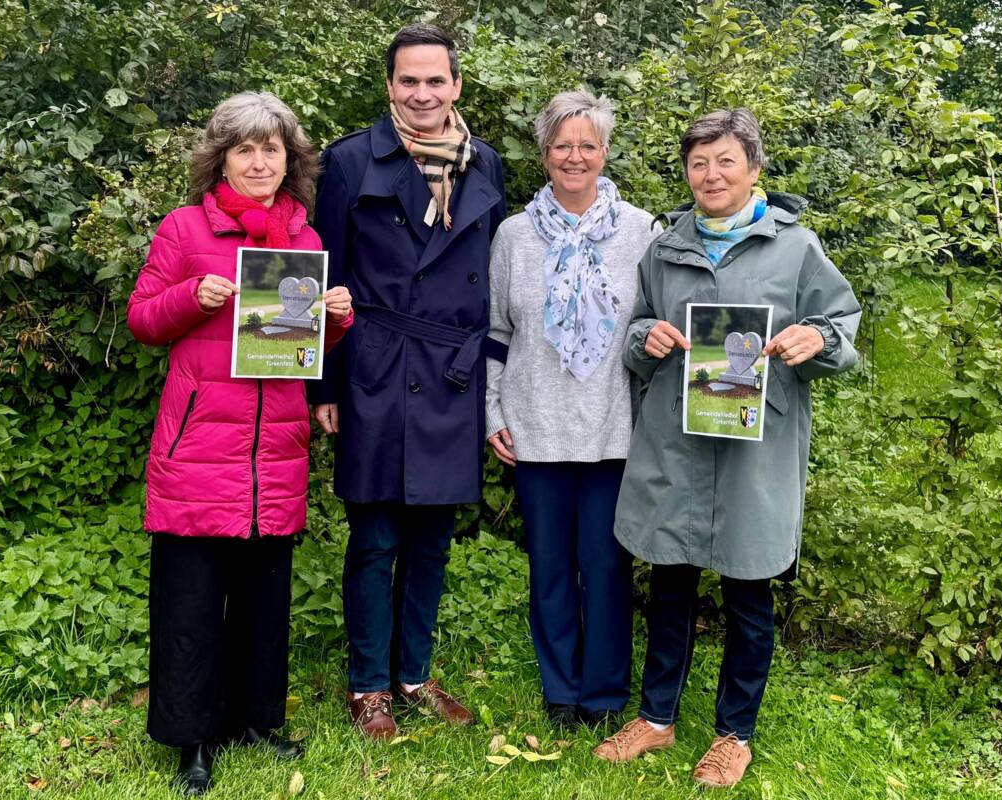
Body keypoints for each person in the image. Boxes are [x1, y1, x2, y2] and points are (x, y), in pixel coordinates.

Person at [593, 108, 861, 788]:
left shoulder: (796, 248)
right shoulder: (664, 246)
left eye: (725, 162)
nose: (711, 175)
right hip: (677, 444)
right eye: (698, 163)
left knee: (748, 593)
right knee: (671, 584)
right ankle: (656, 718)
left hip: (754, 452)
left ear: (754, 169)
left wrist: (818, 340)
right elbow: (636, 330)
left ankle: (734, 734)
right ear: (686, 173)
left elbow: (840, 327)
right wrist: (646, 339)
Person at [127, 91, 353, 796]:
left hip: (274, 449)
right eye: (246, 149)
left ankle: (256, 721)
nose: (260, 161)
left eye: (272, 149)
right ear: (221, 158)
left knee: (264, 599)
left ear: (291, 160)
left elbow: (304, 347)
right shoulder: (184, 228)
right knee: (191, 604)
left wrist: (335, 319)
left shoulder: (304, 238)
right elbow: (142, 319)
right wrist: (191, 295)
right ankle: (192, 740)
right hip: (199, 449)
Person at [309, 23, 506, 740]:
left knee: (432, 538)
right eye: (409, 80)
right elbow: (322, 278)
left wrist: (492, 381)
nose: (422, 93)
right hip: (376, 367)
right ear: (390, 86)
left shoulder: (485, 163)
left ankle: (414, 674)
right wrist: (323, 386)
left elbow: (493, 276)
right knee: (375, 536)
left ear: (456, 85)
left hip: (453, 374)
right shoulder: (349, 162)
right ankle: (368, 686)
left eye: (436, 80)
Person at [484, 90, 652, 729]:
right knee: (551, 566)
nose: (574, 157)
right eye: (562, 145)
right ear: (544, 154)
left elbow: (653, 332)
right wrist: (491, 413)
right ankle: (562, 691)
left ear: (605, 152)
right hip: (534, 428)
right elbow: (496, 333)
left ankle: (606, 696)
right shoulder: (514, 236)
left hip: (615, 429)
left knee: (607, 567)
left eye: (587, 145)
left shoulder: (642, 232)